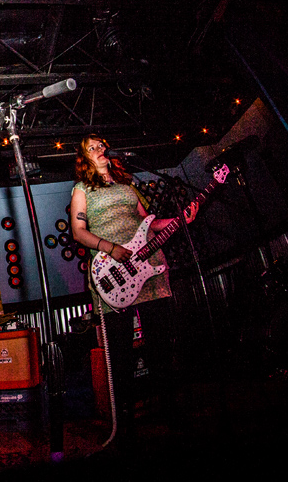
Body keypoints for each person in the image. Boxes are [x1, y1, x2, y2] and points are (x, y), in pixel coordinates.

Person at [69, 134, 196, 449]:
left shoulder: (128, 186)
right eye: (93, 147)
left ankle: (168, 408)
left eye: (103, 145)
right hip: (112, 271)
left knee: (162, 344)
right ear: (84, 158)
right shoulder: (81, 190)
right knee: (120, 352)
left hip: (149, 265)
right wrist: (110, 247)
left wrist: (179, 220)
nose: (102, 149)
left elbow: (148, 222)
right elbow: (78, 231)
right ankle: (123, 420)